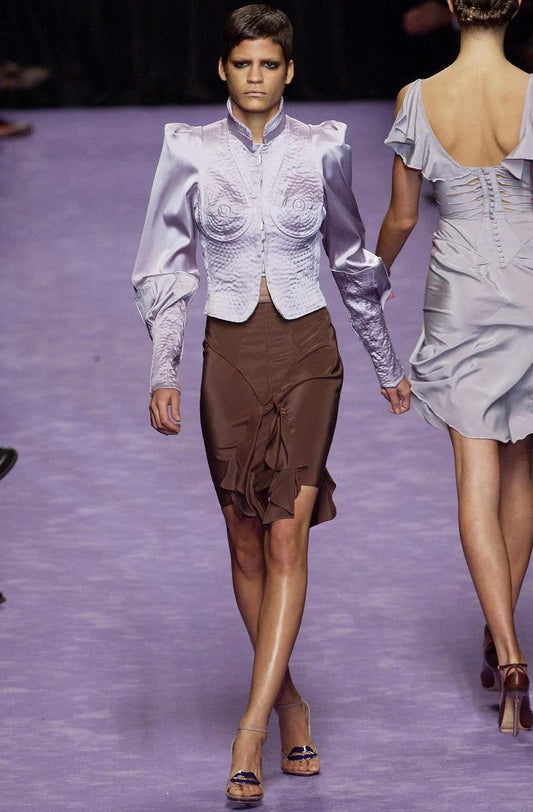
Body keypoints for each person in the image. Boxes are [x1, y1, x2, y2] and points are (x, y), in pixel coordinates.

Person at [132, 4, 409, 802]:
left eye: (269, 64)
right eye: (243, 64)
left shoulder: (324, 147)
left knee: (286, 535)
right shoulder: (187, 150)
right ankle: (288, 702)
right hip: (228, 355)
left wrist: (385, 363)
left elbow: (350, 258)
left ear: (289, 71)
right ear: (223, 69)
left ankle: (249, 729)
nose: (255, 77)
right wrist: (163, 370)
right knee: (246, 542)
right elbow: (164, 266)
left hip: (307, 354)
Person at [377, 0, 533, 737]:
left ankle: (509, 652)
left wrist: (370, 276)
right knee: (521, 472)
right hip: (529, 289)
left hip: (460, 296)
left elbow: (404, 217)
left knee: (475, 473)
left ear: (450, 8)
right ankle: (501, 645)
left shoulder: (417, 98)